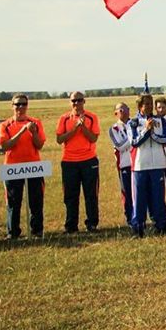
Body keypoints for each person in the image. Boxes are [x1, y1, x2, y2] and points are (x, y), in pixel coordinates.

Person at [0, 94, 46, 239]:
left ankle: (37, 231)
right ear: (12, 106)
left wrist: (33, 133)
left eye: (23, 104)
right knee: (13, 202)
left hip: (34, 166)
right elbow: (5, 146)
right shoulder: (5, 125)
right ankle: (12, 232)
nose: (20, 107)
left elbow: (39, 145)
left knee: (36, 201)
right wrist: (22, 131)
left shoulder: (35, 122)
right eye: (17, 104)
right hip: (12, 167)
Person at [56, 92, 101, 233]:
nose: (76, 103)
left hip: (89, 161)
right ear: (70, 102)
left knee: (91, 194)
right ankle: (71, 226)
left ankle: (92, 224)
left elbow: (93, 138)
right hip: (69, 162)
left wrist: (83, 128)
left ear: (84, 101)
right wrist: (75, 129)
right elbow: (59, 139)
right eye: (73, 101)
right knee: (70, 196)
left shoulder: (92, 117)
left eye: (79, 100)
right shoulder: (64, 119)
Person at [128, 93, 166, 236]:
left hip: (158, 164)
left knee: (158, 197)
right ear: (140, 105)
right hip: (140, 165)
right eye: (146, 103)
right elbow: (134, 142)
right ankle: (138, 228)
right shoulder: (133, 122)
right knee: (139, 198)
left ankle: (161, 225)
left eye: (150, 103)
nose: (149, 106)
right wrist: (146, 130)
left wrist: (154, 136)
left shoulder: (160, 120)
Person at [109, 103, 134, 227]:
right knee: (127, 193)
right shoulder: (114, 129)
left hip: (138, 163)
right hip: (124, 165)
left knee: (138, 192)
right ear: (116, 113)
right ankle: (130, 219)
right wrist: (133, 137)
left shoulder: (134, 123)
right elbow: (120, 146)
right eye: (121, 110)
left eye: (127, 109)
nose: (125, 111)